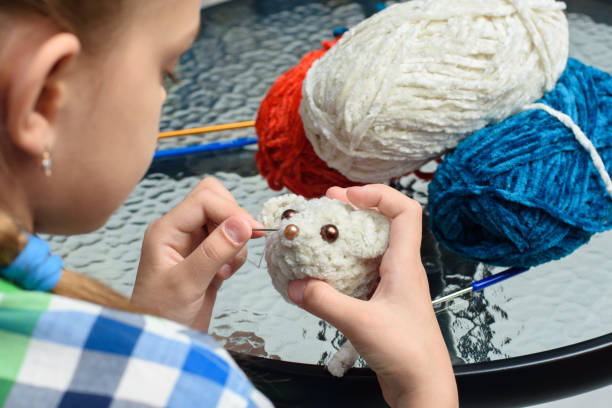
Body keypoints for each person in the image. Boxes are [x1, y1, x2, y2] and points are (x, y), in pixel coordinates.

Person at [0, 1, 458, 407]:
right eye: (167, 72)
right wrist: (424, 386)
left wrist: (154, 328)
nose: (163, 96)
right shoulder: (189, 388)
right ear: (43, 99)